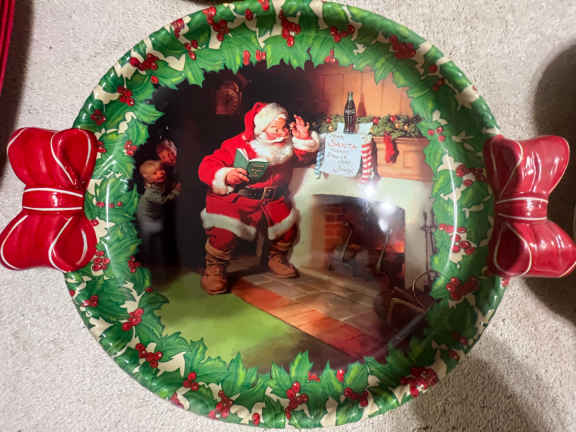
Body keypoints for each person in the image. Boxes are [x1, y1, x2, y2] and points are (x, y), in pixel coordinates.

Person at [197, 102, 319, 295]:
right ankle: (215, 268)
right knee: (223, 233)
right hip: (237, 198)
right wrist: (227, 175)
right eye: (275, 129)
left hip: (273, 199)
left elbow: (304, 158)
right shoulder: (236, 144)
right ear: (261, 129)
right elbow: (208, 165)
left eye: (284, 128)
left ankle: (275, 258)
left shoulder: (287, 146)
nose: (281, 133)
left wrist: (304, 139)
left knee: (287, 227)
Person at [136, 160, 181, 272]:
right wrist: (176, 191)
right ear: (147, 177)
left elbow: (164, 186)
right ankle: (146, 264)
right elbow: (162, 201)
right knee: (147, 244)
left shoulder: (158, 183)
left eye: (161, 170)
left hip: (154, 216)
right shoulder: (150, 193)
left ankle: (154, 261)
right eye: (155, 173)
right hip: (146, 220)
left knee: (156, 242)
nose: (160, 173)